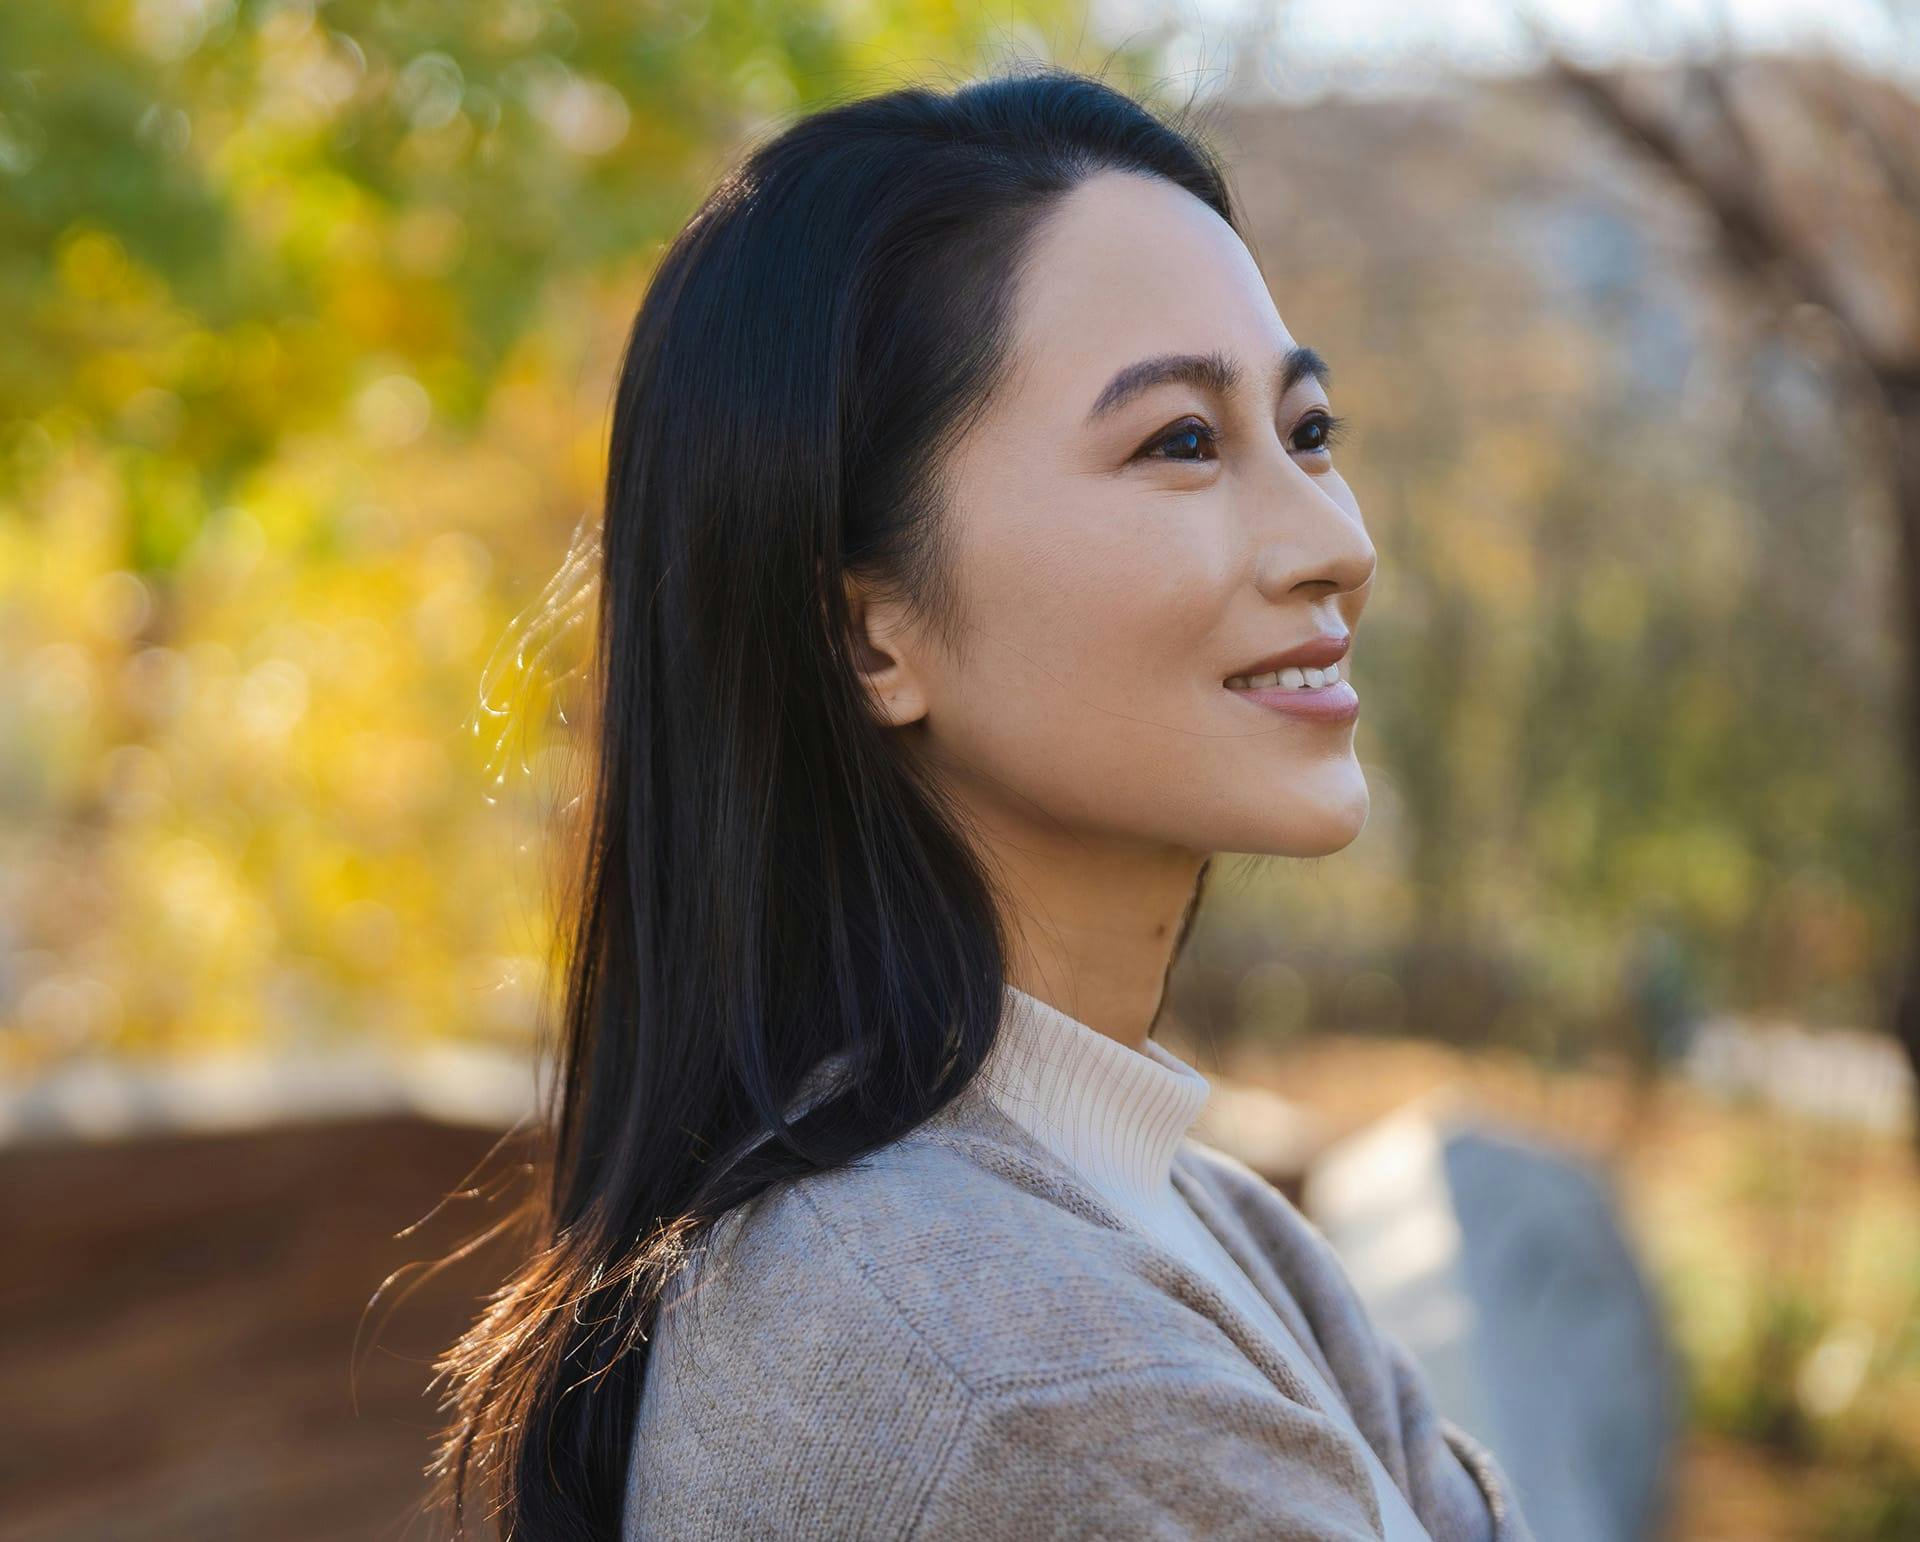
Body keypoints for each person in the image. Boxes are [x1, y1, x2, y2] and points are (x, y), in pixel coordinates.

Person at [424, 62, 1537, 1542]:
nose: (1332, 541)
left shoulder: (1204, 1225)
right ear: (866, 632)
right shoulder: (1004, 1369)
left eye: (1310, 429)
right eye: (1183, 443)